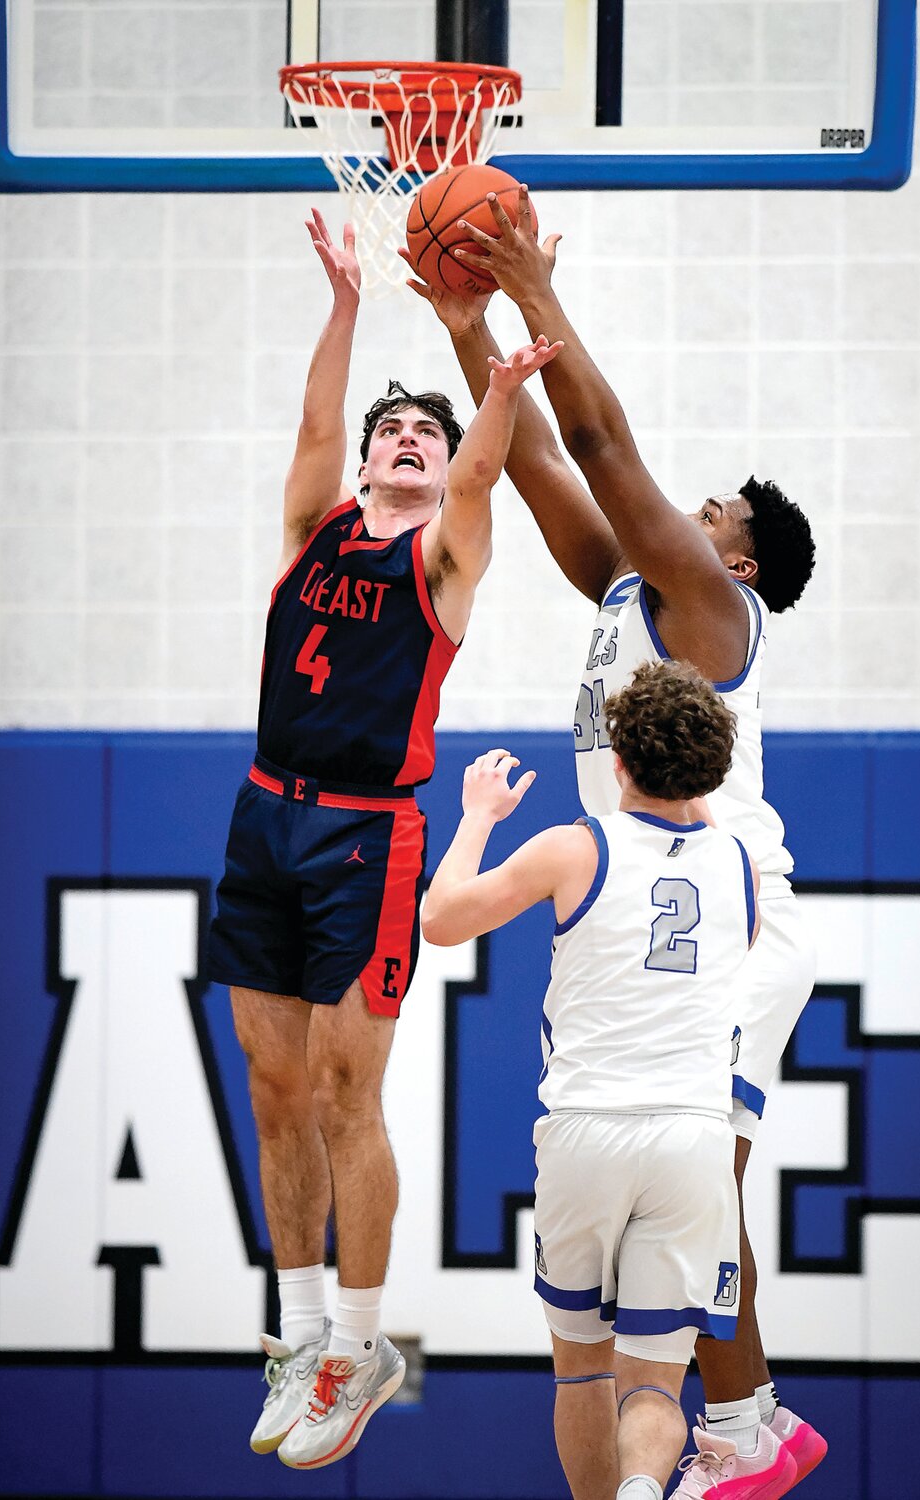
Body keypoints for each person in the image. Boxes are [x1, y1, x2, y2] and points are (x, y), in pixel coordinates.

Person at [404, 191, 826, 1498]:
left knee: (703, 1185)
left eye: (710, 511)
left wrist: (533, 286)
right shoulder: (633, 592)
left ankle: (750, 1425)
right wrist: (479, 333)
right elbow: (536, 456)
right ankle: (741, 1421)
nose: (683, 515)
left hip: (724, 904)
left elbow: (595, 437)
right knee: (684, 1188)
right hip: (655, 884)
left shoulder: (711, 607)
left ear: (741, 560)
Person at [207, 209, 561, 1471]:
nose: (407, 441)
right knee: (272, 1087)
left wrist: (504, 381)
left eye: (425, 433)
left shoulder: (446, 557)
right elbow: (313, 427)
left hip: (371, 835)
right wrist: (347, 304)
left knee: (352, 1092)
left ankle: (362, 1344)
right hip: (266, 816)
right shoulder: (313, 529)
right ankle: (300, 1334)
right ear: (362, 464)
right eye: (389, 432)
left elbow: (478, 475)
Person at [422, 659, 792, 1500]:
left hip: (589, 1130)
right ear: (712, 768)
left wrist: (477, 818)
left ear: (616, 760)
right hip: (694, 1140)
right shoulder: (741, 870)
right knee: (656, 1382)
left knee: (583, 1373)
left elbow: (439, 921)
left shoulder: (573, 847)